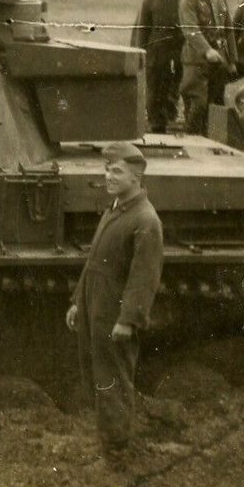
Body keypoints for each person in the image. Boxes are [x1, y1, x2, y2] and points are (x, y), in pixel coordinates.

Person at [65, 142, 164, 467]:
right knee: (98, 376)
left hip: (115, 312)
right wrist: (78, 302)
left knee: (113, 381)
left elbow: (144, 277)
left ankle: (117, 453)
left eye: (116, 171)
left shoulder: (145, 219)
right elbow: (93, 261)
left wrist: (128, 320)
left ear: (136, 176)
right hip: (97, 305)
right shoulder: (117, 208)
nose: (108, 175)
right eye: (107, 169)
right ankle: (109, 443)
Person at [178, 0, 238, 136]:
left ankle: (213, 141)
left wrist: (232, 59)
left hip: (218, 60)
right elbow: (190, 29)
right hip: (196, 59)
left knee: (216, 105)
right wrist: (207, 50)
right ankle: (192, 140)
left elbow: (228, 28)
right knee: (198, 103)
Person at [130, 0, 185, 133]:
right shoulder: (150, 1)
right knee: (154, 92)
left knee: (174, 89)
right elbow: (142, 31)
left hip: (180, 54)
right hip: (156, 56)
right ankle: (156, 126)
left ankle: (171, 121)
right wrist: (140, 54)